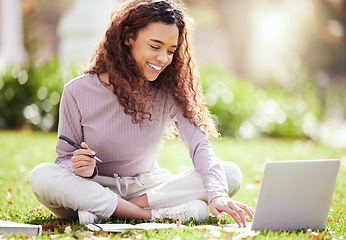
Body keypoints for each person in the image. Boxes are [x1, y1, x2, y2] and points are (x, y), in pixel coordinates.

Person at [29, 0, 254, 227]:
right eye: (155, 47)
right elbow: (65, 158)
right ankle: (151, 214)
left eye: (171, 51)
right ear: (128, 38)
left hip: (149, 187)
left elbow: (199, 146)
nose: (164, 59)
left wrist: (218, 194)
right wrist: (81, 168)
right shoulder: (77, 90)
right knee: (42, 176)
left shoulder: (169, 90)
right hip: (94, 187)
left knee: (230, 174)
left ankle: (108, 211)